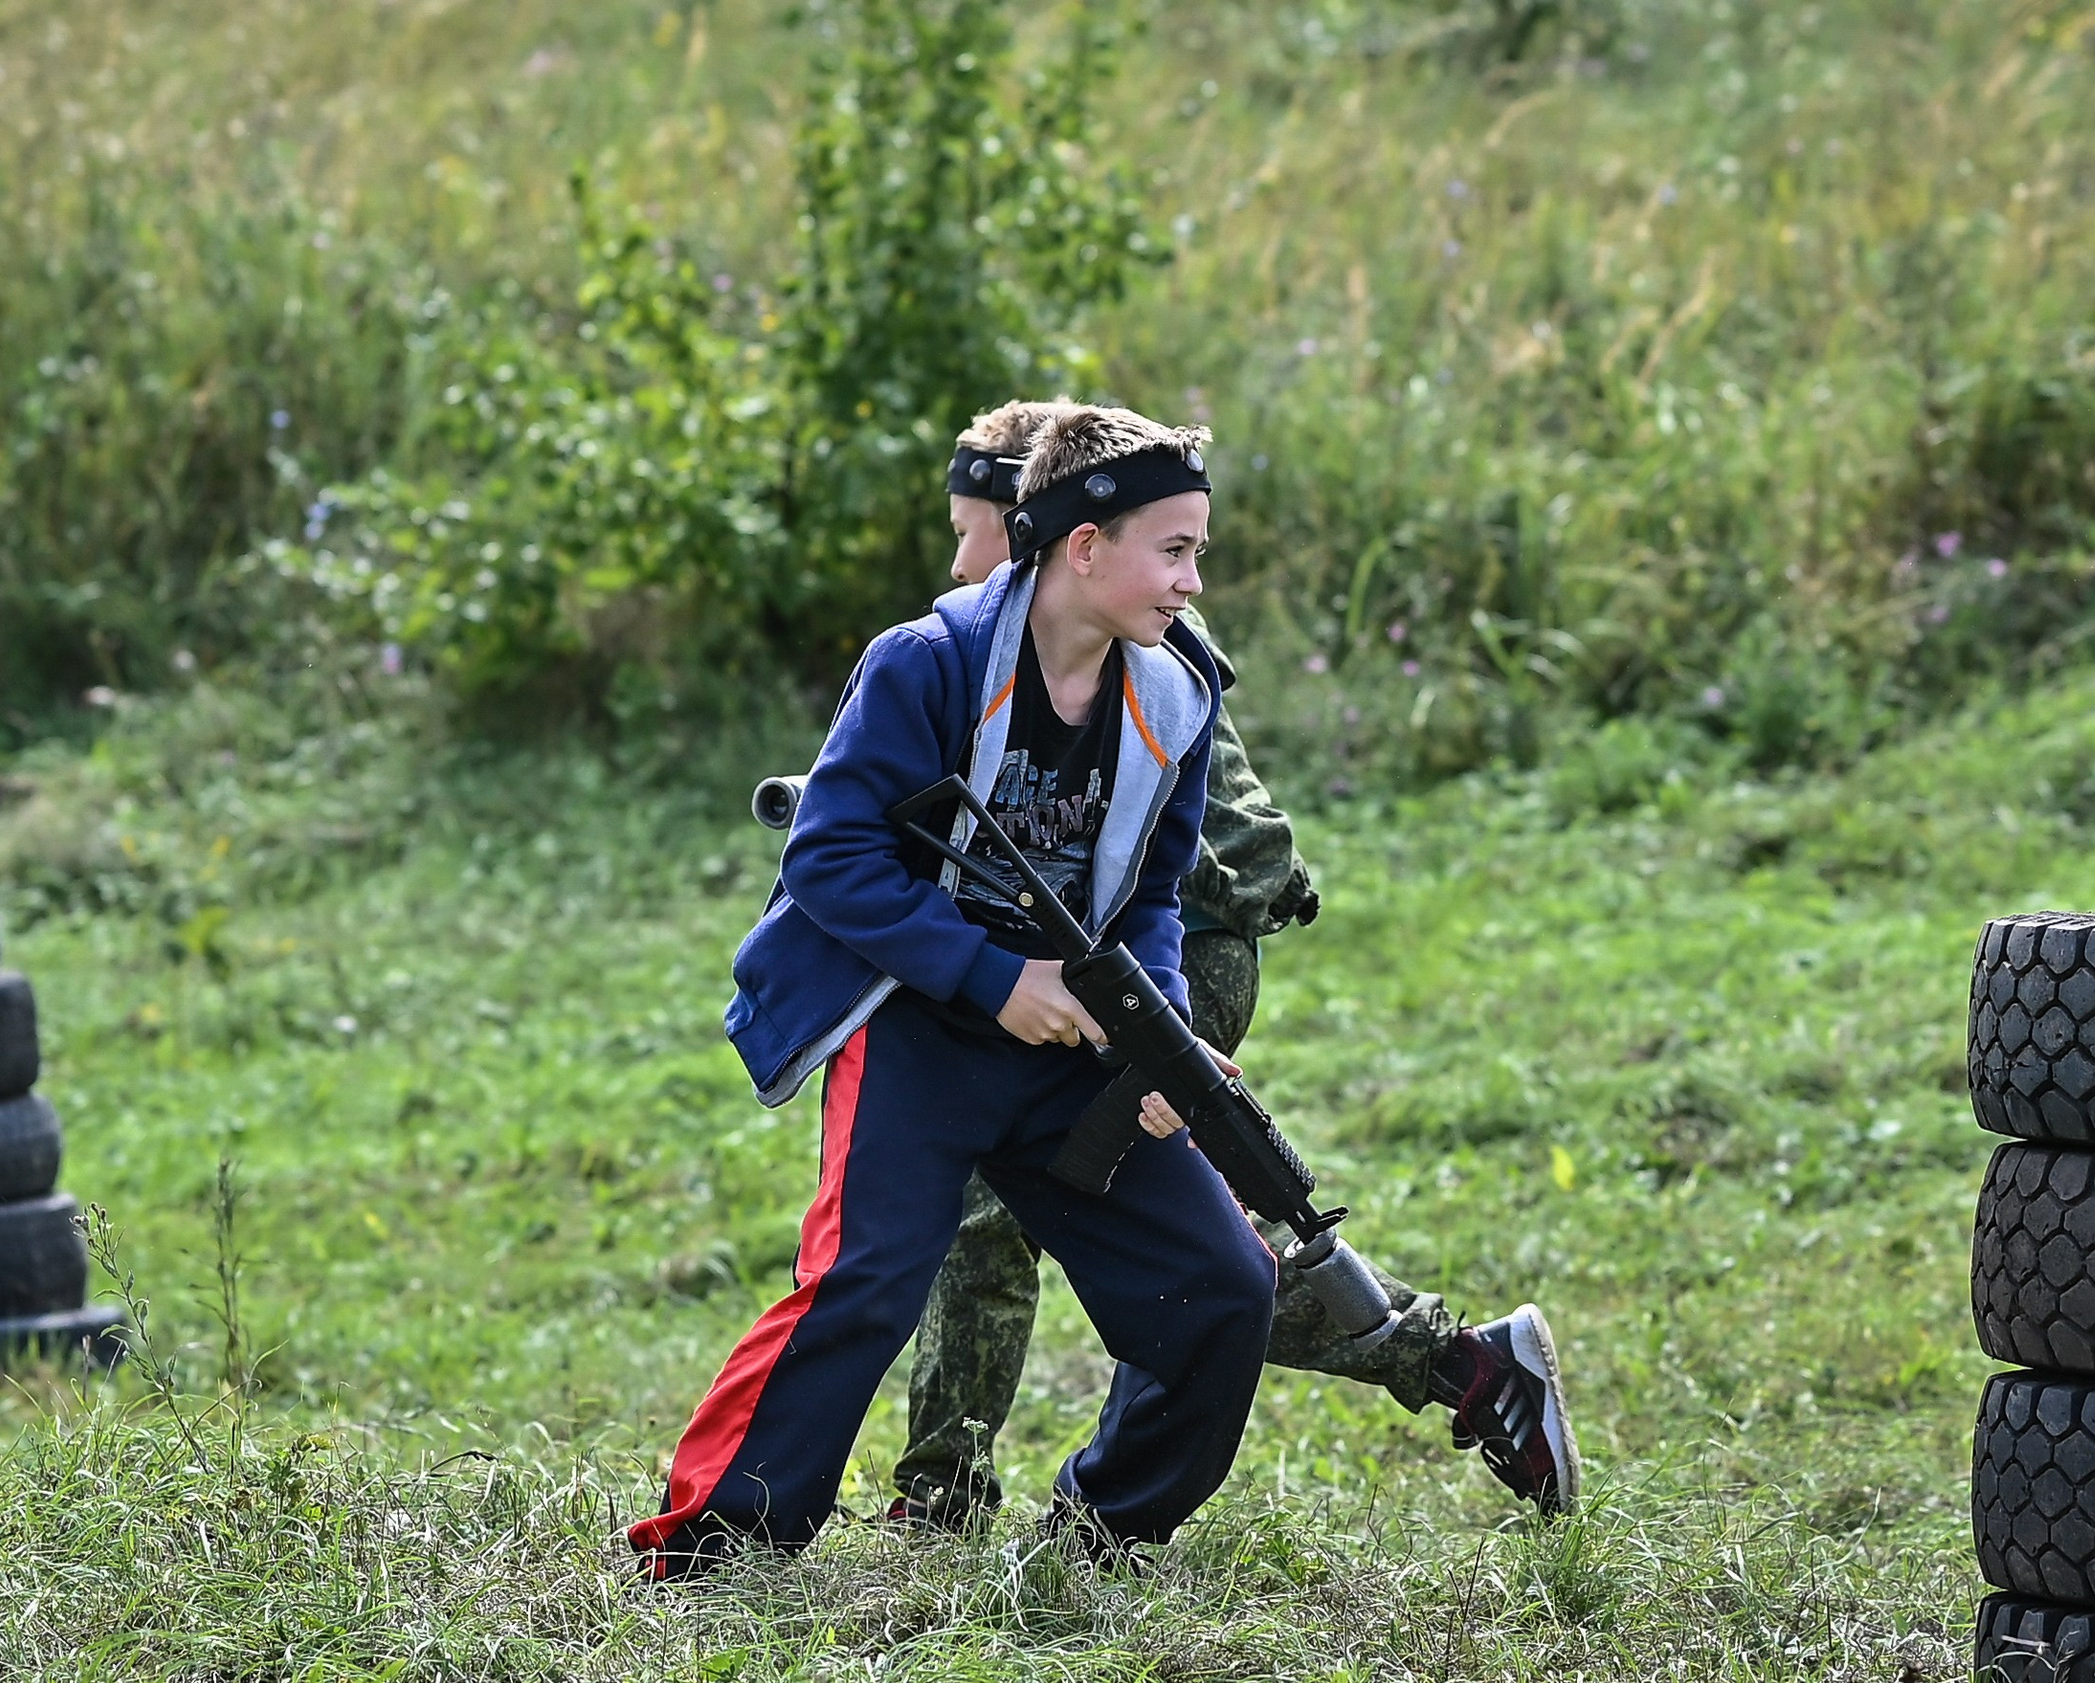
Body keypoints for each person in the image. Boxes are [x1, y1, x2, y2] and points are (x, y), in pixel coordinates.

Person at [888, 399, 1581, 1529]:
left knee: (1038, 1219)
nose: (961, 560)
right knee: (1098, 1221)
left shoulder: (1131, 640)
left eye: (976, 530)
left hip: (1179, 958)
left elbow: (1203, 859)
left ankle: (950, 1497)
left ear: (1053, 532)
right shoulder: (1020, 633)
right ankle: (1461, 1364)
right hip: (1130, 957)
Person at [631, 403, 1277, 1578]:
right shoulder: (926, 662)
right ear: (1085, 546)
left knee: (1225, 1283)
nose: (1193, 581)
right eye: (1175, 550)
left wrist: (1162, 1032)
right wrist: (994, 975)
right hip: (915, 1025)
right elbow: (830, 857)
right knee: (864, 1281)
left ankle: (1097, 1537)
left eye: (1199, 551)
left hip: (1070, 1043)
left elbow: (1153, 891)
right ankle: (716, 1542)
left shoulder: (1179, 692)